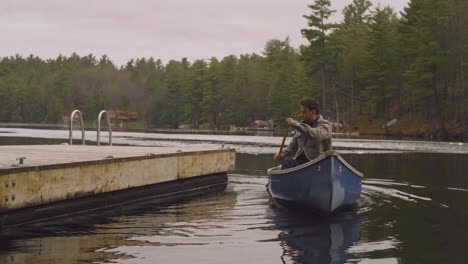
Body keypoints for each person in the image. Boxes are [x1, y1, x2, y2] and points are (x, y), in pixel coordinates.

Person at [274, 98, 332, 169]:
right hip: (302, 163)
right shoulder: (300, 127)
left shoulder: (325, 125)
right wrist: (282, 154)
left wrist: (295, 124)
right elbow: (292, 147)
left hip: (319, 164)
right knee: (286, 161)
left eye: (304, 112)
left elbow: (316, 135)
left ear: (313, 112)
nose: (301, 115)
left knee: (287, 162)